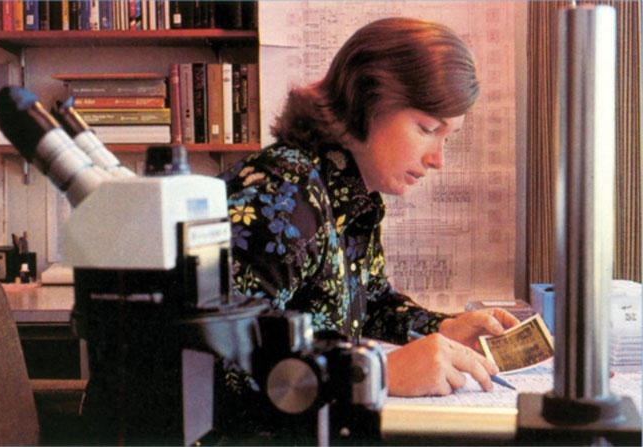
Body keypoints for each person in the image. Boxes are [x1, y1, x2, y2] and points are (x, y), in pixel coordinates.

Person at [219, 16, 518, 416]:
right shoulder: (284, 193)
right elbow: (222, 359)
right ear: (369, 101)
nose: (437, 160)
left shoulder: (351, 192)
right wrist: (378, 372)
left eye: (448, 137)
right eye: (427, 128)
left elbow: (370, 302)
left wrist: (442, 328)